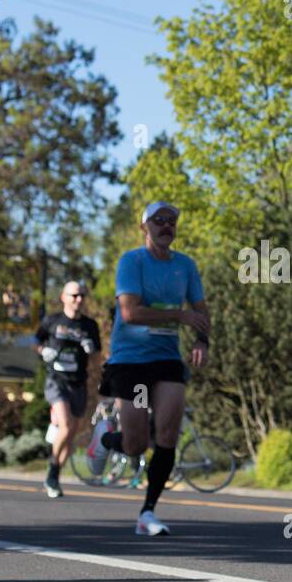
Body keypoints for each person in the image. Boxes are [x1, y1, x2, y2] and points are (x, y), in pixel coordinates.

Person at [89, 201, 209, 536]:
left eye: (172, 221)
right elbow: (130, 312)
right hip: (131, 361)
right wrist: (179, 316)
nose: (166, 226)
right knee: (136, 444)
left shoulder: (185, 266)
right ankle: (106, 437)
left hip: (167, 360)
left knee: (168, 433)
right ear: (145, 227)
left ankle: (147, 512)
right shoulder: (132, 261)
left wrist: (202, 340)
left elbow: (200, 309)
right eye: (159, 220)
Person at [35, 281, 101, 497]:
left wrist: (91, 350)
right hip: (56, 380)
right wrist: (43, 351)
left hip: (78, 382)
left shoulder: (90, 325)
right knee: (66, 424)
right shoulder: (52, 321)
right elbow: (37, 341)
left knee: (72, 432)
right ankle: (53, 471)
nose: (78, 300)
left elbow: (97, 355)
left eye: (82, 295)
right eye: (74, 296)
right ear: (64, 297)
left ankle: (53, 474)